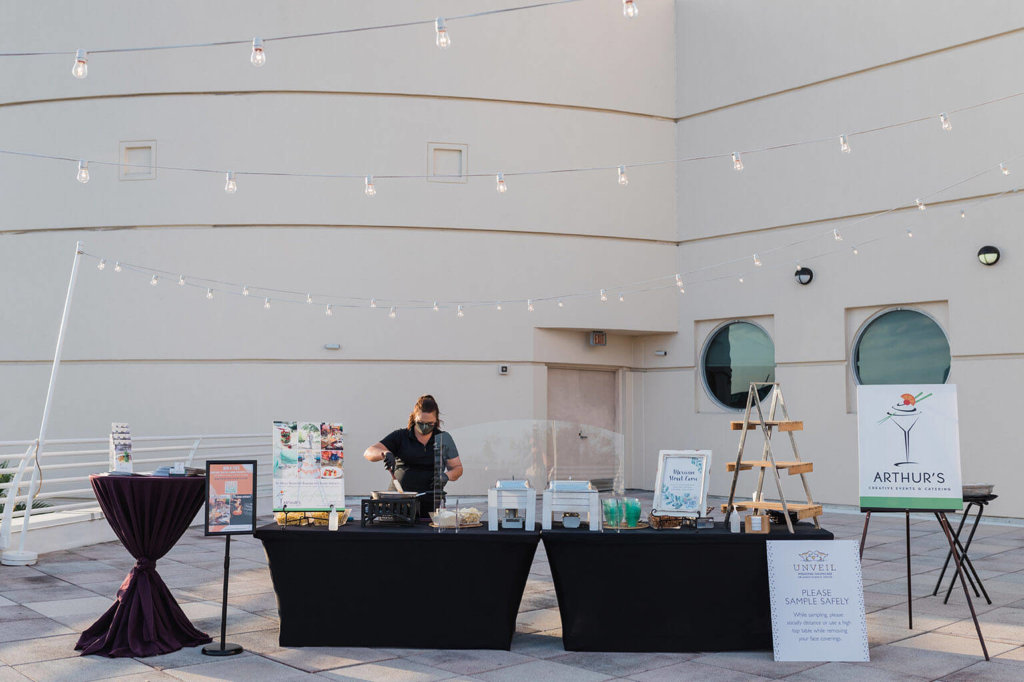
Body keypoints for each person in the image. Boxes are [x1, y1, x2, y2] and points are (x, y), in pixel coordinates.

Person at [364, 395, 463, 516]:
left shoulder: (443, 439)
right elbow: (369, 452)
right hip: (399, 503)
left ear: (436, 421)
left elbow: (457, 468)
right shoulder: (401, 436)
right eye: (421, 423)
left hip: (431, 502)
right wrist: (384, 453)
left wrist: (446, 476)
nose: (425, 427)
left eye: (430, 423)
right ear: (414, 417)